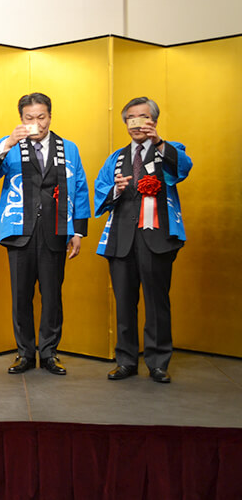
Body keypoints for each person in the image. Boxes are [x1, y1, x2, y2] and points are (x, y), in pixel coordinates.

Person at [0, 92, 90, 376]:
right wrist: (6, 144)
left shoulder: (68, 148)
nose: (37, 122)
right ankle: (24, 353)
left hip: (56, 229)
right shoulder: (13, 145)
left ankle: (49, 353)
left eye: (42, 117)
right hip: (19, 230)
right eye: (30, 118)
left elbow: (80, 189)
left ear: (50, 116)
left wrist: (78, 231)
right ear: (21, 119)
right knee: (21, 295)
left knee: (52, 296)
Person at [94, 97, 192, 383]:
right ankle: (125, 360)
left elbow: (183, 169)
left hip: (157, 238)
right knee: (124, 301)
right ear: (126, 123)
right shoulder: (116, 158)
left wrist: (159, 142)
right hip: (121, 238)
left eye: (143, 117)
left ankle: (158, 362)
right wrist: (115, 190)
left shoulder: (168, 149)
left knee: (157, 301)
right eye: (131, 118)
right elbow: (100, 190)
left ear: (154, 121)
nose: (136, 123)